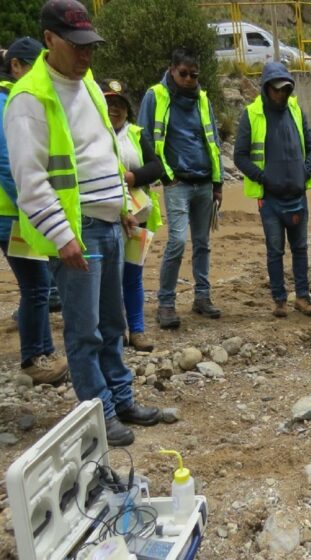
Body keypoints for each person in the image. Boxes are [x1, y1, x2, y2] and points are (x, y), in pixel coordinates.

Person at [5, 0, 161, 446]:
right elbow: (30, 180)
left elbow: (105, 154)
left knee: (113, 324)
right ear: (50, 40)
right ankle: (99, 414)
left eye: (90, 46)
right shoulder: (29, 98)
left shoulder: (88, 83)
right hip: (78, 232)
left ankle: (122, 400)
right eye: (77, 47)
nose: (86, 55)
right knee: (84, 330)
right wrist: (61, 236)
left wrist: (124, 208)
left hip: (110, 222)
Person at [0, 36, 68, 385]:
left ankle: (44, 350)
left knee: (39, 286)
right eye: (33, 65)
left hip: (15, 212)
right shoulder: (9, 101)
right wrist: (32, 206)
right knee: (37, 287)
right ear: (16, 66)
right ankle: (32, 359)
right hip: (11, 215)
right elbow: (8, 164)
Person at [138, 47, 222, 329]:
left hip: (204, 182)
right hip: (177, 183)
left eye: (193, 75)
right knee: (177, 241)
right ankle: (165, 303)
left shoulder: (203, 100)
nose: (188, 79)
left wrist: (218, 182)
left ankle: (202, 297)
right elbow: (145, 137)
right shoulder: (156, 96)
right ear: (172, 69)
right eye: (183, 74)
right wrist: (164, 175)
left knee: (203, 243)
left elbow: (214, 142)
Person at [233, 62, 311, 318]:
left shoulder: (295, 110)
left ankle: (302, 297)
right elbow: (240, 156)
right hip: (270, 199)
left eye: (286, 89)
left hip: (297, 195)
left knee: (300, 248)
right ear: (266, 88)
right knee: (275, 250)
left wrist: (304, 174)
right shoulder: (252, 114)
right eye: (277, 89)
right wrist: (263, 178)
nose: (281, 94)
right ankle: (279, 299)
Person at [101, 79, 164, 351]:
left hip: (137, 215)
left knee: (132, 274)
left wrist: (131, 177)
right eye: (109, 103)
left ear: (127, 109)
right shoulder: (93, 134)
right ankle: (113, 333)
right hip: (105, 215)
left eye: (119, 104)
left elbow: (156, 167)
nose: (114, 109)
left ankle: (137, 330)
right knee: (106, 278)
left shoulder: (137, 134)